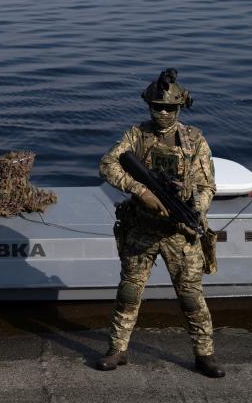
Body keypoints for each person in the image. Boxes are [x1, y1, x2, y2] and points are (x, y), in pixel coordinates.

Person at [96, 69, 225, 378]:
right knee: (129, 293)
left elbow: (208, 186)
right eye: (158, 107)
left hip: (180, 233)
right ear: (149, 106)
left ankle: (204, 355)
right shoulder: (136, 135)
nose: (163, 113)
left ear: (179, 108)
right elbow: (107, 164)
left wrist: (195, 210)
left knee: (191, 297)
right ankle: (117, 350)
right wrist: (140, 191)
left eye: (169, 108)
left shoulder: (194, 139)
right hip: (142, 229)